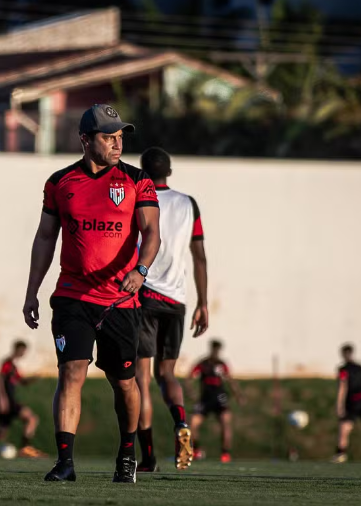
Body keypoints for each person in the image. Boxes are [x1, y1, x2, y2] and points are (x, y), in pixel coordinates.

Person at [22, 104, 160, 483]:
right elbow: (45, 238)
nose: (117, 144)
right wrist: (32, 291)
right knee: (70, 374)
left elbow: (152, 234)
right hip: (72, 297)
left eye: (120, 137)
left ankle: (127, 455)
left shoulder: (137, 180)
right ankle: (65, 463)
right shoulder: (60, 182)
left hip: (120, 301)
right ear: (86, 140)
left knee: (124, 383)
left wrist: (140, 270)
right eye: (107, 137)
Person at [133, 147, 208, 472]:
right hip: (176, 300)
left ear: (142, 171)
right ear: (171, 172)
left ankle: (147, 457)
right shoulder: (188, 204)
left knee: (141, 381)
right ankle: (181, 424)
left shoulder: (139, 197)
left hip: (143, 294)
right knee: (167, 374)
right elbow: (200, 256)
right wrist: (203, 302)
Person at [187, 339, 242, 463]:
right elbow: (189, 378)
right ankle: (197, 450)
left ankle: (225, 453)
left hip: (220, 397)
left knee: (225, 424)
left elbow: (230, 380)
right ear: (211, 349)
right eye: (214, 349)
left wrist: (238, 395)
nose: (216, 352)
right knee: (193, 424)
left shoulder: (222, 364)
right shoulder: (202, 363)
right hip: (205, 398)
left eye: (218, 350)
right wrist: (191, 391)